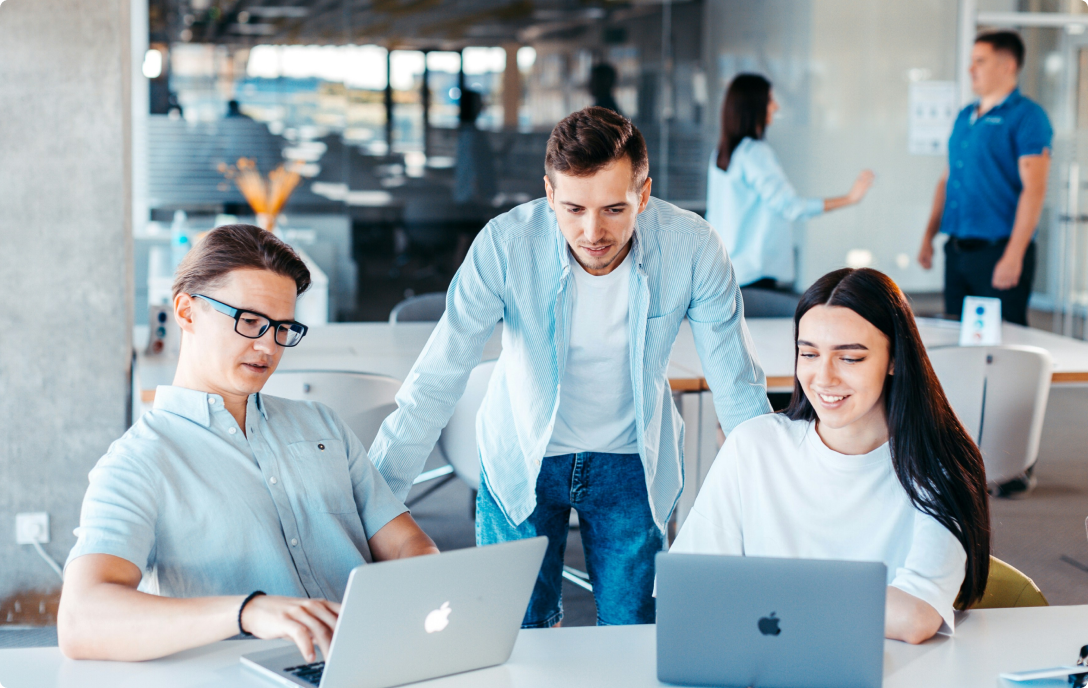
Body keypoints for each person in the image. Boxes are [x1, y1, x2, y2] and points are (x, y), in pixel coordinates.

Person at [369, 106, 772, 628]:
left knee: (635, 633)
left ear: (644, 194)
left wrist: (775, 503)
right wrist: (377, 503)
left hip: (631, 462)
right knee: (517, 633)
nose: (592, 231)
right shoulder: (505, 243)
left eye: (614, 209)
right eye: (574, 208)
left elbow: (738, 385)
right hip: (522, 459)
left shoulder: (693, 246)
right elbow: (438, 376)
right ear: (550, 193)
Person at [58, 225, 438, 662]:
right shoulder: (139, 461)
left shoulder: (323, 425)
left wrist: (428, 594)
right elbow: (80, 621)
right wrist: (248, 611)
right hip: (246, 674)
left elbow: (408, 543)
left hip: (371, 660)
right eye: (250, 321)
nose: (268, 347)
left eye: (282, 327)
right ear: (185, 312)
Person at [670, 267, 991, 644]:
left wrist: (764, 594)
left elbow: (914, 615)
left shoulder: (937, 466)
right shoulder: (754, 446)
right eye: (808, 353)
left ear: (894, 359)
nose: (823, 378)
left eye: (849, 358)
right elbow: (689, 589)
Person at [917, 30, 1052, 327]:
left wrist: (1014, 255)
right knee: (956, 335)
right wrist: (929, 236)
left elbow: (1035, 189)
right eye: (971, 61)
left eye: (980, 61)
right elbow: (947, 179)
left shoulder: (1028, 117)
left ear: (1007, 65)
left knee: (1003, 343)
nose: (970, 69)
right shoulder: (965, 116)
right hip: (957, 250)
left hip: (998, 251)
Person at [706, 73, 874, 290]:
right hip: (754, 274)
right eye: (769, 100)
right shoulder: (755, 154)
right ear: (754, 106)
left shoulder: (722, 154)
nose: (775, 107)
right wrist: (850, 199)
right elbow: (791, 207)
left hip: (727, 271)